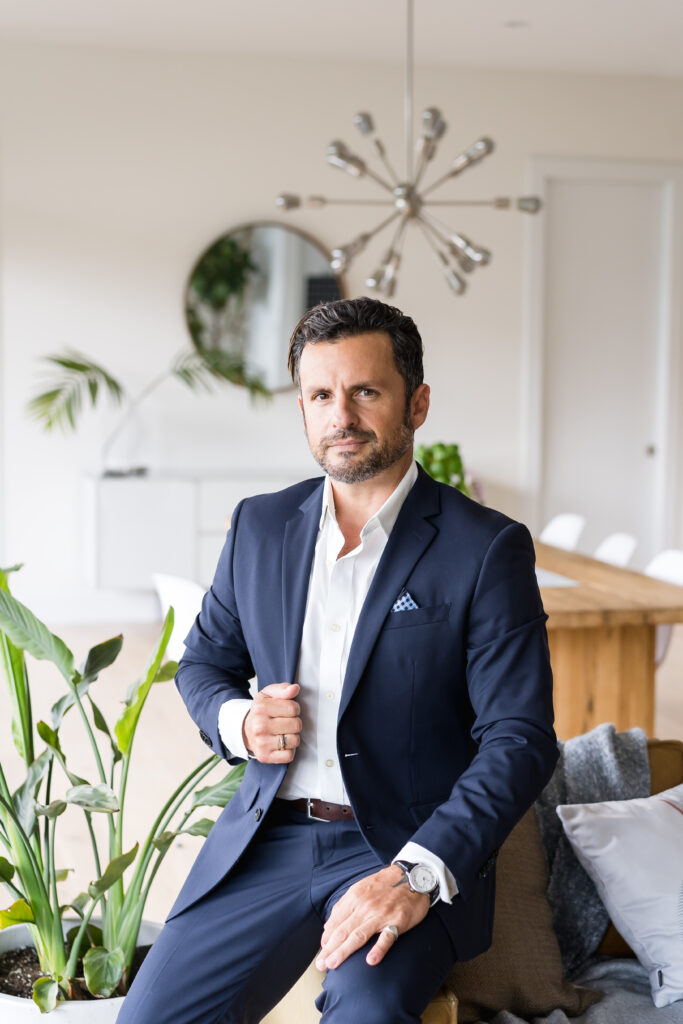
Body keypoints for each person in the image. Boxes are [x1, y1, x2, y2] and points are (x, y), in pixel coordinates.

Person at [119, 296, 559, 1024]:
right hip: (269, 837)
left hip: (399, 844)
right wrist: (239, 724)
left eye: (365, 392)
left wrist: (416, 874)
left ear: (415, 403)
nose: (341, 416)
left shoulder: (483, 547)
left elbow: (519, 736)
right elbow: (202, 664)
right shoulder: (259, 525)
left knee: (365, 1017)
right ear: (301, 408)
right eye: (321, 395)